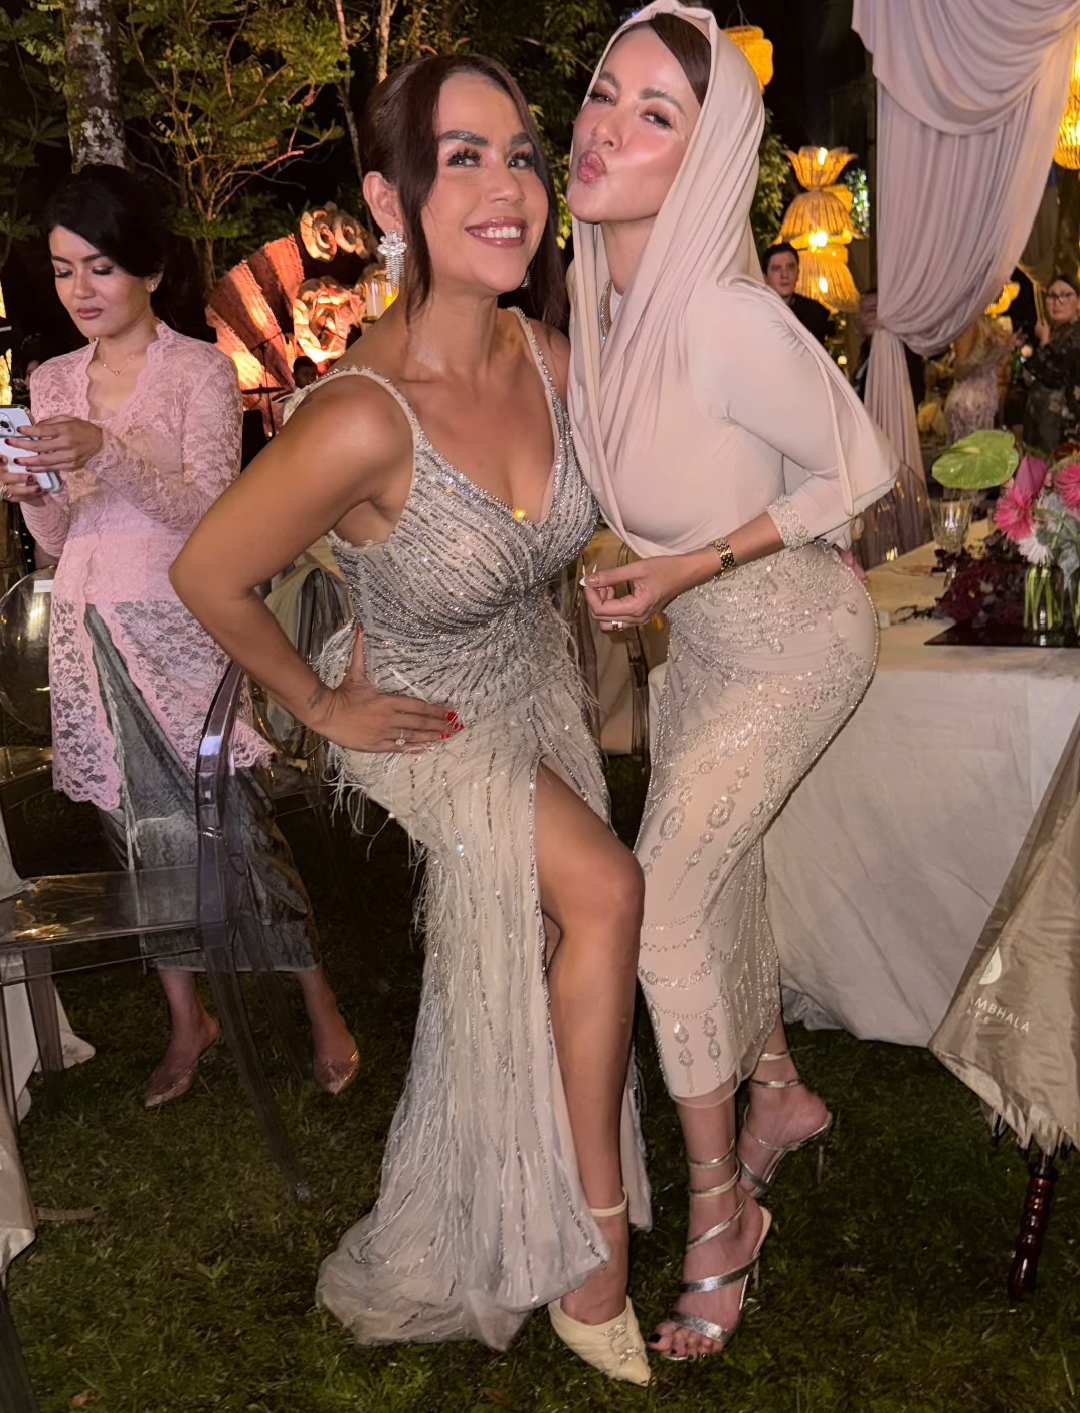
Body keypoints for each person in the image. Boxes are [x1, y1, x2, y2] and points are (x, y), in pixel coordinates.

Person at [170, 55, 652, 1384]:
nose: (508, 187)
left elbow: (640, 486)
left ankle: (518, 1191)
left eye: (522, 155)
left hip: (530, 683)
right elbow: (207, 573)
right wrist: (322, 703)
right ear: (391, 200)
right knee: (606, 892)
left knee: (554, 937)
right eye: (464, 158)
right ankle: (597, 1251)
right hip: (421, 711)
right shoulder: (359, 420)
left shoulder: (549, 357)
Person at [566, 1, 895, 1364]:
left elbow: (863, 466)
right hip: (701, 643)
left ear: (703, 161)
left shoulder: (720, 314)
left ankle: (723, 1214)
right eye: (605, 92)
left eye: (657, 115)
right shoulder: (606, 306)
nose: (605, 129)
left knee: (663, 903)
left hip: (797, 639)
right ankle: (775, 1092)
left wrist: (690, 562)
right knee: (720, 874)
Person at [0, 165, 357, 1108]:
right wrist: (30, 494)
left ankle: (319, 1002)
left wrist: (109, 451)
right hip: (87, 627)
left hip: (182, 624)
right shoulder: (51, 379)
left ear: (151, 270)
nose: (79, 289)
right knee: (136, 829)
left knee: (231, 817)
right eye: (63, 269)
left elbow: (210, 514)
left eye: (101, 267)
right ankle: (184, 1017)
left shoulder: (200, 370)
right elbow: (64, 538)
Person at [1023, 273, 1080, 453]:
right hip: (1044, 423)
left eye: (1065, 295)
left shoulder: (1076, 333)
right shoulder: (1059, 331)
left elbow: (1054, 376)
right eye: (1052, 296)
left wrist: (1044, 341)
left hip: (1062, 429)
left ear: (1079, 302)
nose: (1057, 302)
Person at [943, 315, 1013, 444]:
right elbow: (961, 372)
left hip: (985, 401)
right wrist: (984, 355)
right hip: (968, 404)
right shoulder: (968, 324)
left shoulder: (989, 323)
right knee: (968, 453)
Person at [852, 288, 926, 409]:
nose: (866, 317)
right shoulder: (866, 349)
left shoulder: (901, 351)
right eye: (863, 311)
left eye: (873, 310)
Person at [762, 242, 830, 344]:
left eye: (790, 268)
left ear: (798, 273)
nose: (784, 275)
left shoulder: (815, 313)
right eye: (776, 269)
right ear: (765, 277)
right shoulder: (755, 311)